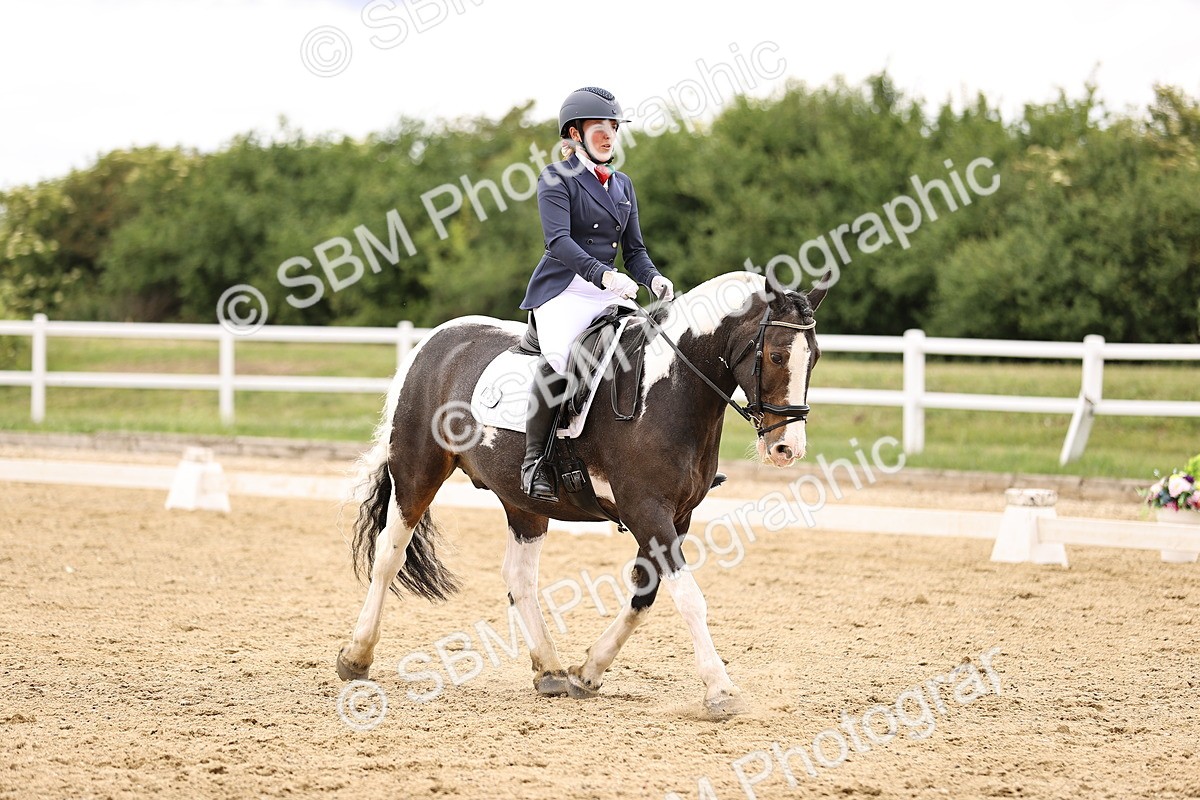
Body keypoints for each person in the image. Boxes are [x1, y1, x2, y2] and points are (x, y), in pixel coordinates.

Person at [518, 86, 674, 501]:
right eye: (599, 127)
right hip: (564, 289)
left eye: (614, 127)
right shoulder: (556, 177)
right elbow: (559, 242)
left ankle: (660, 460)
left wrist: (652, 278)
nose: (609, 134)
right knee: (560, 359)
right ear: (574, 133)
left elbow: (635, 250)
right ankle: (534, 462)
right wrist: (603, 276)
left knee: (652, 350)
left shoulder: (623, 184)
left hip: (609, 289)